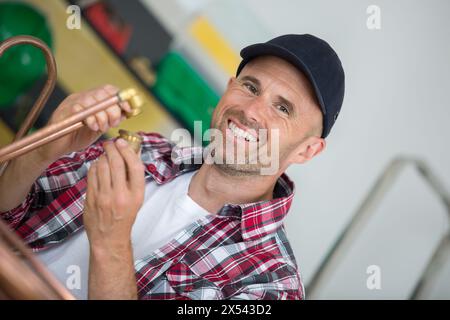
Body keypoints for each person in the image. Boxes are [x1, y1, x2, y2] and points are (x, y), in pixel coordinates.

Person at [0, 34, 345, 300]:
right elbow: (10, 217)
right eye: (250, 86)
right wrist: (41, 151)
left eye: (283, 109)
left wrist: (111, 244)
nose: (252, 111)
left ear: (307, 150)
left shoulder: (271, 286)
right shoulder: (144, 150)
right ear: (228, 90)